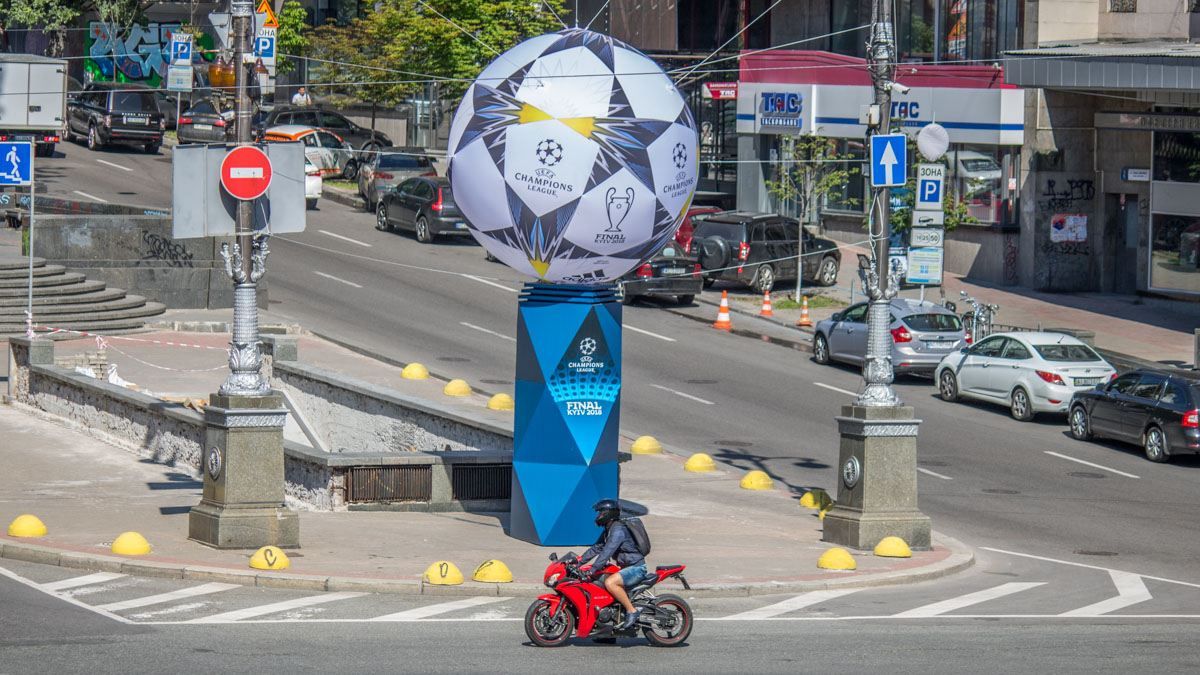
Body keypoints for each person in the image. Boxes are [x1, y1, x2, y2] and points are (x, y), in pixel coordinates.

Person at [579, 499, 647, 630]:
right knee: (596, 581)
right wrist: (578, 562)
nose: (598, 516)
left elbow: (607, 551)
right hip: (625, 567)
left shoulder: (618, 530)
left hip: (636, 568)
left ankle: (632, 611)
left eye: (600, 513)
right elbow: (597, 548)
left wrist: (593, 568)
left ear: (608, 513)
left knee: (610, 583)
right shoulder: (609, 529)